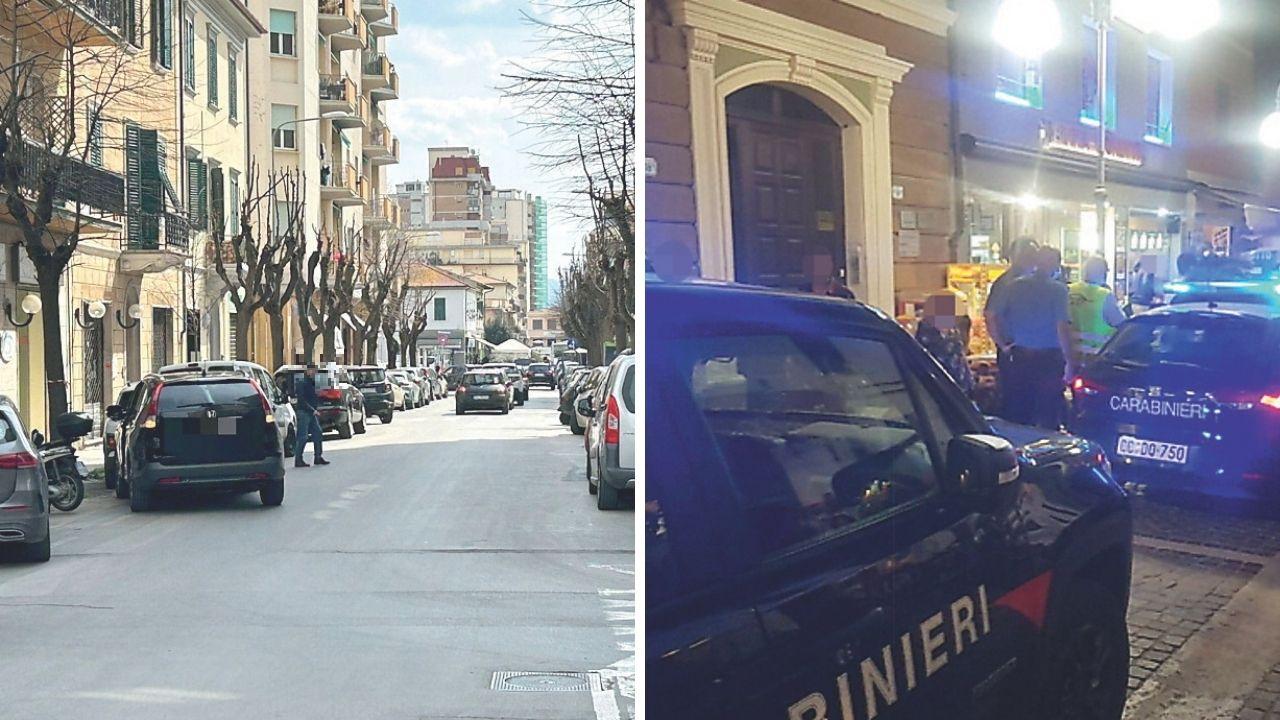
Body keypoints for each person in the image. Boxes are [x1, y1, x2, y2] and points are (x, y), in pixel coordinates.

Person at [987, 246, 1074, 430]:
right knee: (1048, 415)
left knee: (1018, 412)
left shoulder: (1014, 286)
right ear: (1055, 265)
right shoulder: (1059, 290)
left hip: (1019, 358)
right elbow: (1062, 327)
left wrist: (1002, 344)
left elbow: (991, 315)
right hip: (1048, 361)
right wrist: (1070, 361)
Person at [984, 237, 1038, 413]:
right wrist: (1003, 345)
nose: (1033, 259)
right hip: (1015, 351)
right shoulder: (1007, 283)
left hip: (1032, 351)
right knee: (1017, 401)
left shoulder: (1032, 281)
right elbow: (991, 314)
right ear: (1017, 256)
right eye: (1029, 254)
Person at [1067, 256, 1126, 363]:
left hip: (1069, 354)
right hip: (1095, 357)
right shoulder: (1104, 295)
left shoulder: (1068, 290)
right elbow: (1122, 324)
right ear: (1103, 273)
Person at [293, 364, 329, 468]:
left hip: (311, 412)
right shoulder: (302, 383)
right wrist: (312, 410)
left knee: (317, 433)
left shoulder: (312, 383)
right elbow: (301, 400)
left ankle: (318, 457)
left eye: (315, 371)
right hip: (303, 412)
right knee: (303, 437)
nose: (314, 373)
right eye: (312, 371)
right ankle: (298, 459)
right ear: (307, 371)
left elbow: (314, 397)